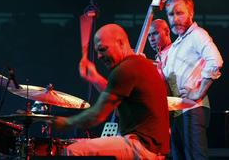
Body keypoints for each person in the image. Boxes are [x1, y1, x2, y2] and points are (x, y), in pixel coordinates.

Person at [51, 23, 170, 159]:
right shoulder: (139, 64)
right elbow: (114, 96)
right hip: (154, 149)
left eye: (102, 49)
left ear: (120, 43)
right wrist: (95, 78)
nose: (99, 56)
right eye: (97, 52)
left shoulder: (125, 69)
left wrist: (65, 123)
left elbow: (97, 115)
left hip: (141, 147)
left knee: (73, 150)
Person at [163, 0, 223, 160]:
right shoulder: (176, 44)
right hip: (178, 111)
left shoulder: (197, 34)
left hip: (192, 108)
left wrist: (199, 92)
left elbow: (216, 60)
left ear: (191, 14)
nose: (174, 19)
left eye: (179, 13)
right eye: (170, 14)